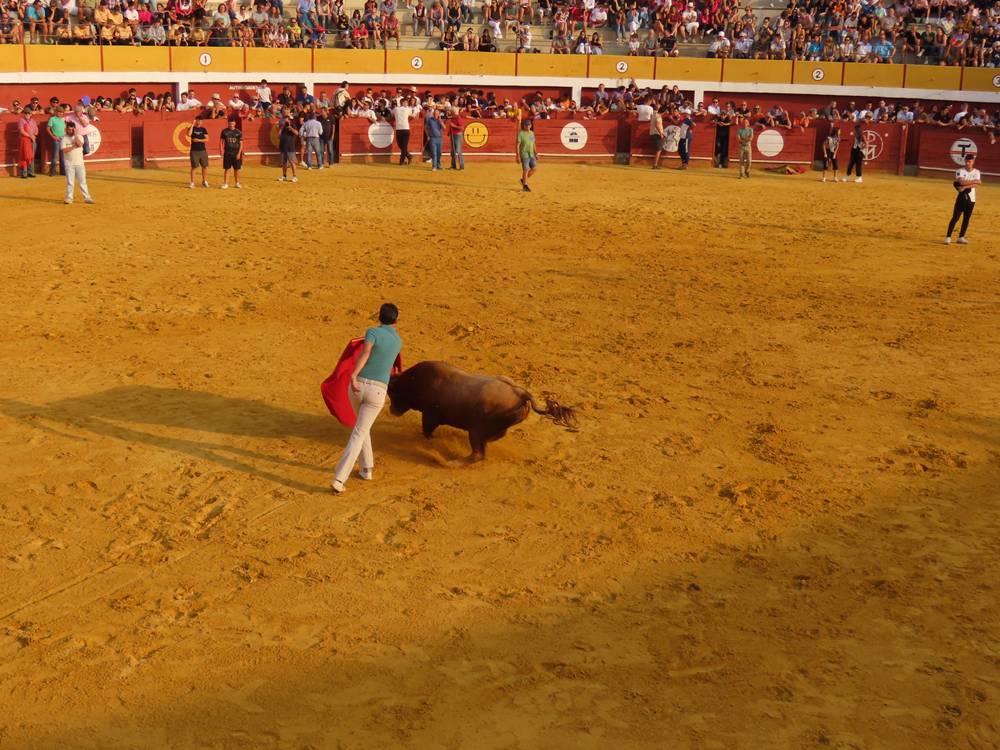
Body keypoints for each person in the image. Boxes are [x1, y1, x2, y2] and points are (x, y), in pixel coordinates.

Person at [330, 303, 403, 494]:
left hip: (358, 386)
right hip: (378, 391)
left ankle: (341, 477)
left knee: (360, 430)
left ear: (379, 317)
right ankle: (365, 469)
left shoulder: (372, 332)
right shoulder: (398, 342)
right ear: (396, 320)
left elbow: (366, 352)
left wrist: (353, 375)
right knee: (361, 430)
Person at [945, 153, 980, 245]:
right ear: (965, 162)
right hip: (961, 198)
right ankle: (948, 237)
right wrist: (974, 181)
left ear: (973, 162)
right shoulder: (960, 170)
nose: (968, 163)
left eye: (970, 161)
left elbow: (977, 185)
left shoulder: (977, 172)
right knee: (955, 217)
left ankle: (961, 237)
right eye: (966, 161)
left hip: (972, 199)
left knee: (966, 219)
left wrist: (964, 187)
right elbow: (961, 181)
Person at [61, 121, 94, 205]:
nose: (71, 131)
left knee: (82, 181)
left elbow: (79, 144)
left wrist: (76, 135)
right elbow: (64, 150)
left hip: (79, 163)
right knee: (70, 182)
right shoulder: (64, 138)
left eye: (72, 130)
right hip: (69, 164)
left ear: (75, 129)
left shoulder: (79, 136)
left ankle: (87, 197)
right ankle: (69, 198)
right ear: (66, 130)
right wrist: (72, 146)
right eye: (69, 129)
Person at [219, 117, 243, 189]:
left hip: (236, 152)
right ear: (228, 124)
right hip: (227, 152)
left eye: (232, 123)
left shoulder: (238, 132)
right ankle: (226, 183)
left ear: (234, 124)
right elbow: (221, 142)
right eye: (230, 123)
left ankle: (237, 183)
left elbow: (241, 144)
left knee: (237, 169)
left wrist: (239, 153)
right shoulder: (224, 131)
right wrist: (221, 151)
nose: (231, 125)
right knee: (227, 169)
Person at [188, 115, 209, 188]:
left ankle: (205, 181)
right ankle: (192, 182)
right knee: (194, 167)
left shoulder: (203, 129)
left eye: (200, 121)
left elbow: (207, 139)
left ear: (202, 122)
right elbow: (189, 134)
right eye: (198, 120)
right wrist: (192, 125)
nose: (199, 122)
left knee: (205, 166)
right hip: (194, 151)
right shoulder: (192, 128)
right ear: (195, 121)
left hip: (202, 150)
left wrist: (198, 140)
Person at [517, 118, 537, 192]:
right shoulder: (521, 133)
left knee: (534, 168)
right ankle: (525, 185)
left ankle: (523, 180)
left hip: (531, 154)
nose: (527, 126)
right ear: (524, 126)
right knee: (526, 169)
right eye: (526, 125)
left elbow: (533, 144)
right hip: (524, 154)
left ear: (531, 125)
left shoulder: (532, 133)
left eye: (529, 125)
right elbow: (517, 145)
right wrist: (518, 155)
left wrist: (536, 153)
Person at [392, 98, 414, 165]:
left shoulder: (396, 109)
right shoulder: (407, 109)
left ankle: (401, 161)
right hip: (402, 129)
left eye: (407, 102)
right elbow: (413, 116)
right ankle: (409, 156)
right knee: (401, 146)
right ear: (402, 103)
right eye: (405, 102)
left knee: (403, 146)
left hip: (403, 129)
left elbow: (392, 114)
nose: (407, 104)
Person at [46, 105, 66, 177]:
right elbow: (48, 129)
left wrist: (65, 137)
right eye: (59, 112)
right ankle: (52, 171)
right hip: (56, 139)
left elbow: (64, 130)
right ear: (56, 112)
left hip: (63, 139)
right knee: (55, 156)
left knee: (63, 156)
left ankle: (62, 171)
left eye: (62, 112)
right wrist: (53, 137)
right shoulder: (52, 119)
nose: (60, 113)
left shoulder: (62, 120)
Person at [18, 108, 38, 179]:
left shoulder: (33, 121)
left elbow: (36, 129)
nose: (27, 114)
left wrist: (35, 135)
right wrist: (30, 136)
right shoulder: (21, 121)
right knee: (25, 156)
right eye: (26, 113)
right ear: (24, 113)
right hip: (25, 140)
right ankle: (24, 173)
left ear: (31, 114)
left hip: (32, 141)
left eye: (29, 113)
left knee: (31, 157)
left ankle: (30, 172)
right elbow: (22, 131)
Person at [277, 116, 299, 183]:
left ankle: (295, 176)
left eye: (286, 121)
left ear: (289, 120)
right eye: (284, 121)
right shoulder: (282, 127)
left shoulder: (292, 125)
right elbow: (278, 136)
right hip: (283, 147)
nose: (285, 122)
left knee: (292, 162)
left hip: (290, 147)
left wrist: (291, 128)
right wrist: (281, 128)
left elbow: (297, 133)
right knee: (284, 163)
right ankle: (284, 176)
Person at [713, 103, 733, 169]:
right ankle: (718, 162)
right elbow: (713, 121)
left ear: (726, 115)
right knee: (718, 148)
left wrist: (724, 124)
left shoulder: (727, 118)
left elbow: (731, 123)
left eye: (724, 114)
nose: (723, 116)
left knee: (724, 150)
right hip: (719, 137)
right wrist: (718, 123)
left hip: (725, 137)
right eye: (722, 114)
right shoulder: (718, 118)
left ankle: (721, 163)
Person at [650, 105, 666, 170]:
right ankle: (655, 165)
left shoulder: (654, 114)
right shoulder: (658, 117)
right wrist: (661, 133)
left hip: (653, 133)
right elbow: (657, 125)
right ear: (664, 112)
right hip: (657, 134)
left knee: (658, 149)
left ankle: (655, 164)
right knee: (659, 150)